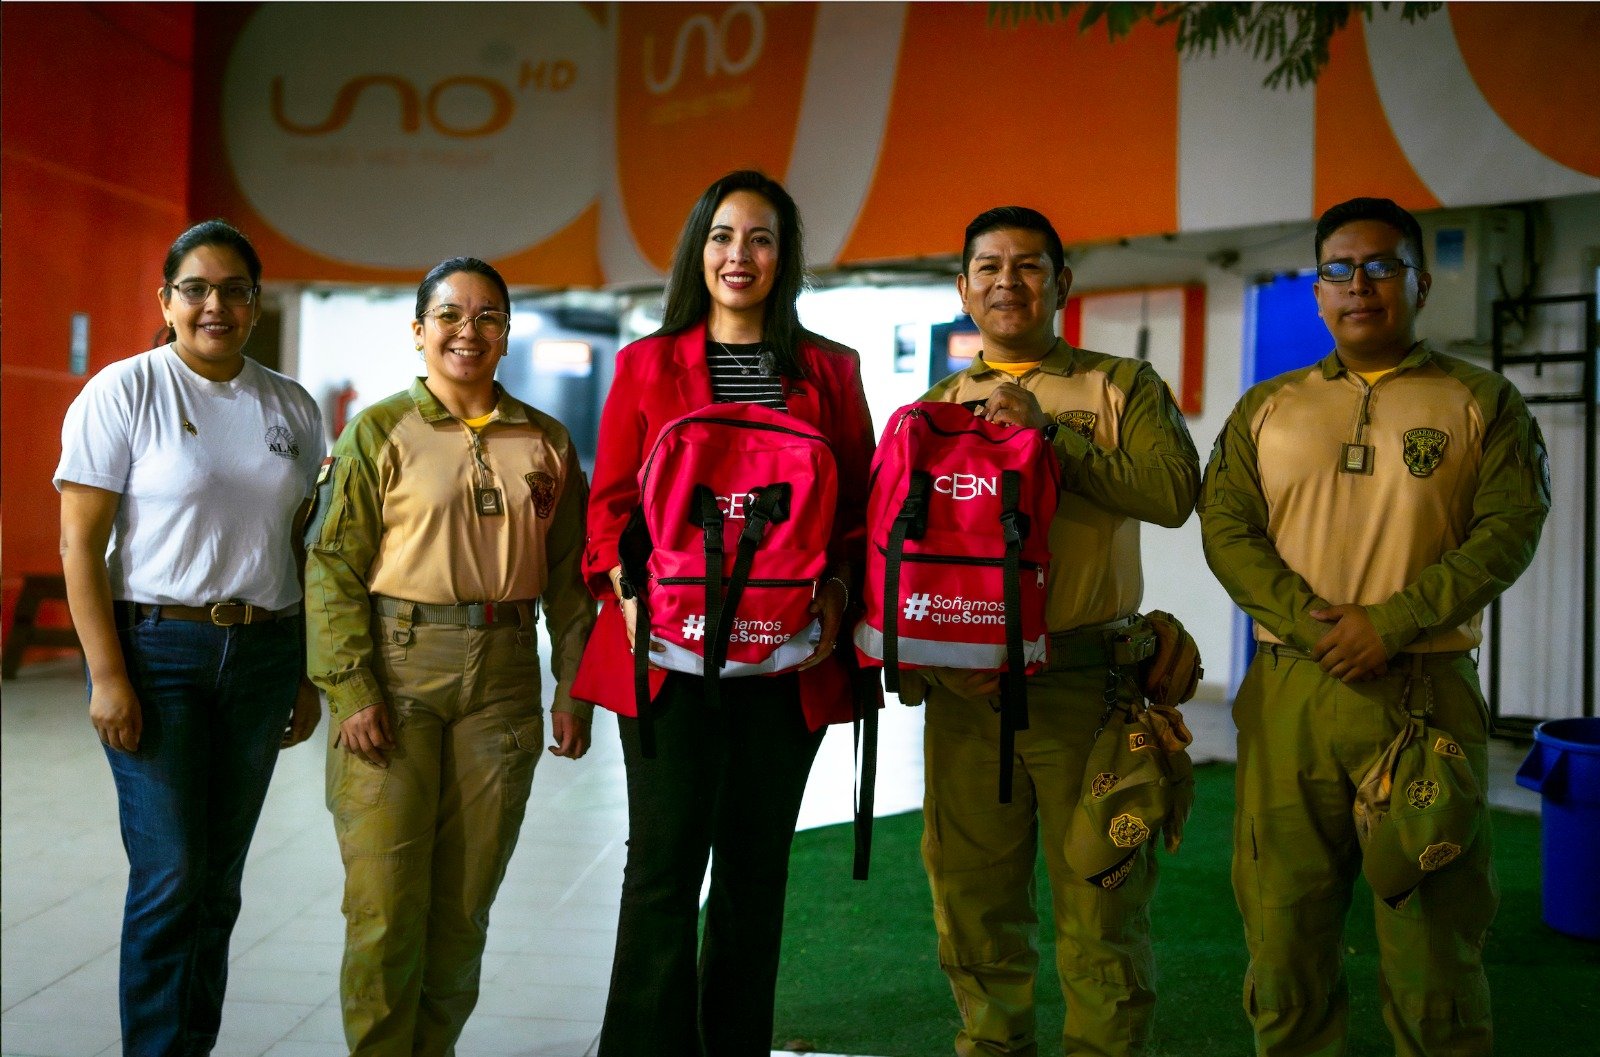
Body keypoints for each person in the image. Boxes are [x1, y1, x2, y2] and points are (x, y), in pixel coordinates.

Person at [1199, 197, 1550, 1057]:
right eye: (1339, 270)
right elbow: (1227, 528)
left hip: (1425, 698)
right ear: (1317, 292)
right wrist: (1312, 623)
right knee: (1284, 939)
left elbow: (1508, 529)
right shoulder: (1266, 409)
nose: (1361, 285)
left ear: (1421, 283)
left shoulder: (1482, 401)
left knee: (1433, 945)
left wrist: (1392, 623)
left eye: (1382, 266)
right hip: (1291, 698)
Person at [574, 170, 877, 1056]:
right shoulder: (646, 363)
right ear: (696, 250)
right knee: (662, 871)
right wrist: (624, 594)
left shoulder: (829, 368)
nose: (738, 256)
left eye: (760, 238)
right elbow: (611, 508)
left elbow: (857, 507)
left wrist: (835, 593)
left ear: (785, 258)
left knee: (755, 873)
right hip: (663, 653)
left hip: (788, 662)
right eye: (721, 236)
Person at [904, 205, 1201, 1056]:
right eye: (988, 267)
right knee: (972, 903)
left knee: (1101, 906)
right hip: (967, 697)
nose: (1008, 281)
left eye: (1029, 265)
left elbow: (1173, 492)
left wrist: (1048, 441)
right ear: (962, 288)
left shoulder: (1119, 386)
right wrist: (930, 663)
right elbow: (903, 554)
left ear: (1061, 283)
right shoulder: (930, 409)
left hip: (1087, 689)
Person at [304, 257, 596, 1056]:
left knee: (464, 903)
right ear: (420, 331)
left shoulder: (546, 439)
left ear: (506, 332)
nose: (469, 331)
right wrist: (350, 685)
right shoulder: (377, 430)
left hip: (504, 674)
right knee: (386, 903)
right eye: (451, 316)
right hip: (396, 670)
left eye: (488, 317)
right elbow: (330, 565)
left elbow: (574, 581)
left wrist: (576, 687)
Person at [56, 219, 325, 1057]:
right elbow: (80, 543)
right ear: (167, 300)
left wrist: (307, 671)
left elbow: (301, 545)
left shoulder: (291, 405)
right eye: (197, 289)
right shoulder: (124, 390)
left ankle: (187, 1044)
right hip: (159, 654)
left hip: (264, 654)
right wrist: (107, 675)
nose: (216, 305)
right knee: (172, 875)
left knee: (217, 883)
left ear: (254, 303)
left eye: (234, 290)